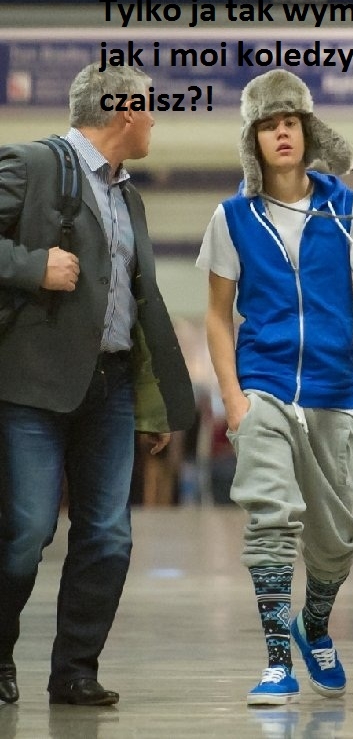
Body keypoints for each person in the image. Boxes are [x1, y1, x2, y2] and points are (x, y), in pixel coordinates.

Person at [196, 69, 353, 706]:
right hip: (263, 386)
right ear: (252, 140)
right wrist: (233, 398)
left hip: (334, 390)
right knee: (270, 517)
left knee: (336, 540)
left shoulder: (346, 207)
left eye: (290, 122)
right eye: (268, 125)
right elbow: (217, 316)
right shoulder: (232, 217)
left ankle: (314, 623)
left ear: (308, 131)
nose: (281, 133)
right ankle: (276, 662)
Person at [0, 64, 194, 706]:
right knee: (26, 530)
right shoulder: (32, 164)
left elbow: (135, 306)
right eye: (150, 108)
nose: (155, 121)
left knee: (108, 535)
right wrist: (32, 266)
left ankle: (75, 669)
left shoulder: (129, 197)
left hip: (110, 388)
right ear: (124, 110)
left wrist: (154, 400)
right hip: (30, 385)